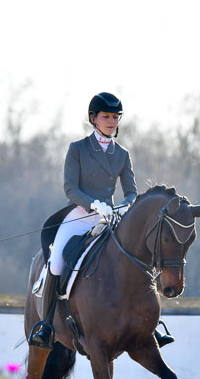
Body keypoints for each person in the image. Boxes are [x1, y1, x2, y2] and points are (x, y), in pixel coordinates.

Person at [28, 92, 175, 350]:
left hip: (111, 216)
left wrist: (125, 205)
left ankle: (151, 325)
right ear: (93, 118)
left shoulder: (122, 154)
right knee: (57, 261)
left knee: (139, 255)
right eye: (106, 116)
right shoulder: (78, 149)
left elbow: (131, 190)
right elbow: (70, 188)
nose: (111, 121)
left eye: (115, 117)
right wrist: (93, 204)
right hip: (80, 214)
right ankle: (47, 324)